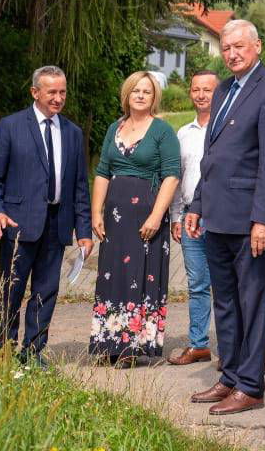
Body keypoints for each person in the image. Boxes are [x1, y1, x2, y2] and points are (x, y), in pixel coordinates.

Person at [185, 19, 265, 415]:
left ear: (257, 47)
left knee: (252, 303)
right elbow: (212, 157)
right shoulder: (225, 90)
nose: (231, 53)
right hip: (216, 218)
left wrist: (264, 219)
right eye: (226, 47)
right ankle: (230, 376)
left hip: (251, 223)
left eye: (239, 47)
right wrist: (197, 205)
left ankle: (250, 385)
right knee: (226, 303)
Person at [0, 66, 93, 367]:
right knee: (11, 291)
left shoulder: (72, 132)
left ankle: (32, 351)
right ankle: (3, 350)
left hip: (57, 226)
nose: (58, 99)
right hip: (18, 226)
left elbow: (80, 186)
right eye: (52, 92)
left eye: (62, 92)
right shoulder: (11, 126)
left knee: (46, 292)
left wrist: (84, 230)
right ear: (35, 92)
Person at [88, 71, 180, 366]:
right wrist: (96, 212)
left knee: (140, 276)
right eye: (136, 91)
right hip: (115, 218)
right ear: (126, 95)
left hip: (145, 217)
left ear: (154, 98)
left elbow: (171, 175)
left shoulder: (162, 131)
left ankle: (130, 347)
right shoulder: (115, 127)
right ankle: (109, 343)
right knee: (111, 275)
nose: (141, 95)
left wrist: (157, 215)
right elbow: (103, 171)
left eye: (147, 92)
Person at [167, 69, 219, 366]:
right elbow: (177, 177)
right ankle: (198, 344)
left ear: (218, 92)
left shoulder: (227, 128)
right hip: (190, 219)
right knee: (197, 284)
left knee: (226, 285)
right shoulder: (183, 134)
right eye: (196, 89)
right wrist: (176, 216)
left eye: (207, 90)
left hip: (222, 218)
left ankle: (231, 349)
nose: (201, 95)